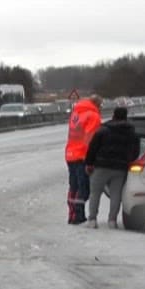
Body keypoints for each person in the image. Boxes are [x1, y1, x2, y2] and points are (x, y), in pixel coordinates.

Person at [84, 106, 141, 228]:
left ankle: (92, 219)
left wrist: (89, 163)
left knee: (95, 193)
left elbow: (92, 148)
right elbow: (136, 151)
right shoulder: (131, 132)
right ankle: (112, 220)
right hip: (120, 168)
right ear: (126, 116)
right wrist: (128, 160)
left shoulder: (103, 130)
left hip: (101, 166)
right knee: (116, 194)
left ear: (113, 115)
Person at [64, 94, 102, 225]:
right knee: (84, 188)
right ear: (97, 104)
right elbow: (91, 139)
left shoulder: (76, 113)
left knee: (73, 186)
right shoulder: (93, 116)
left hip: (70, 154)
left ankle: (71, 214)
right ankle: (78, 215)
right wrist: (93, 158)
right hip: (82, 155)